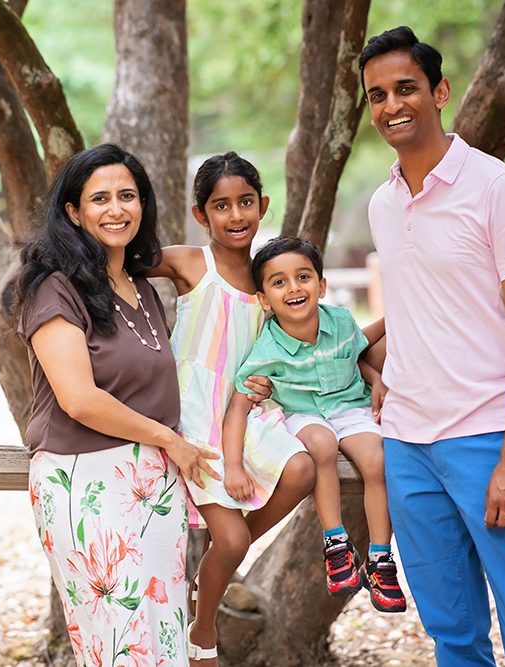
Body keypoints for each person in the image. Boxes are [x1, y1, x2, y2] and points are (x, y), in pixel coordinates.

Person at [360, 26, 505, 665]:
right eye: (377, 95)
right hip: (406, 445)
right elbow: (418, 306)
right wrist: (376, 365)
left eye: (406, 88)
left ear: (440, 91)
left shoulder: (498, 188)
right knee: (451, 632)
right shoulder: (381, 202)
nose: (392, 105)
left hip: (487, 438)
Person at [14, 143, 219, 667]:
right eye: (99, 198)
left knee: (163, 639)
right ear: (73, 212)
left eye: (127, 196)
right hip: (84, 482)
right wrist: (171, 440)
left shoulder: (141, 288)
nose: (116, 209)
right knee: (116, 645)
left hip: (153, 484)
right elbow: (80, 399)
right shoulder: (53, 289)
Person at [148, 152, 316, 664]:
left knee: (304, 468)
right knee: (233, 539)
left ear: (263, 206)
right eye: (221, 205)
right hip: (198, 416)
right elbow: (121, 259)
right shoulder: (188, 261)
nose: (236, 214)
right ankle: (202, 627)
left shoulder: (269, 273)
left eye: (246, 202)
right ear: (202, 215)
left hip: (248, 409)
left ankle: (220, 562)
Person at [225, 235, 407, 614]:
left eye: (303, 277)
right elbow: (238, 406)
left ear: (321, 285)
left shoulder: (340, 321)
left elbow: (355, 354)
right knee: (321, 445)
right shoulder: (267, 349)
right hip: (303, 415)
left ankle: (379, 558)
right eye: (279, 282)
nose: (293, 288)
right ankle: (336, 543)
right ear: (264, 299)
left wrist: (377, 381)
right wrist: (232, 465)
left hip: (351, 407)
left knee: (377, 461)